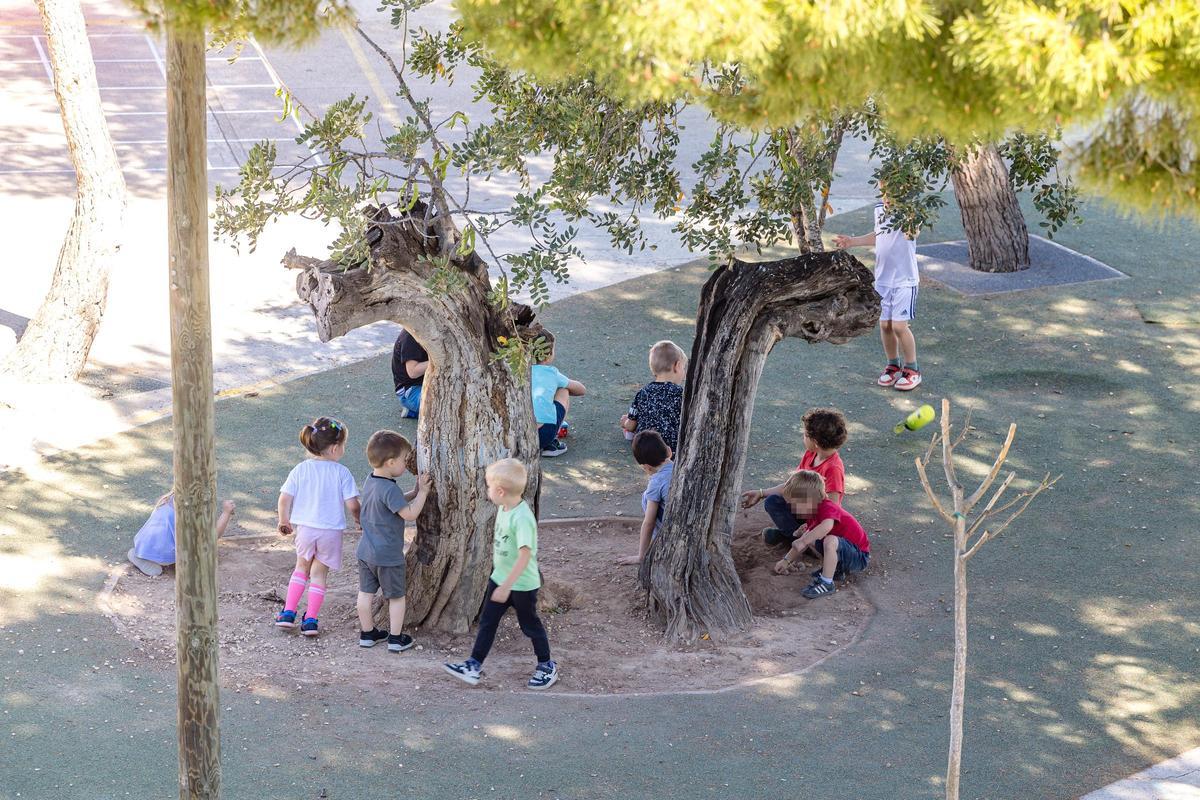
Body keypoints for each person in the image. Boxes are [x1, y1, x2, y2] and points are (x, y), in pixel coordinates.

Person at [443, 458, 558, 690]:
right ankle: (473, 664)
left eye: (488, 486)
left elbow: (525, 556)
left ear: (500, 491)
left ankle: (547, 665)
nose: (487, 491)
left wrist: (507, 586)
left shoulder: (522, 518)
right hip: (499, 579)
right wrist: (501, 581)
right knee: (488, 622)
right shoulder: (504, 507)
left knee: (530, 625)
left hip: (521, 585)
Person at [275, 417, 361, 637]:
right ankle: (311, 619)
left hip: (305, 528)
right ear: (334, 448)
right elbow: (353, 504)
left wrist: (284, 520)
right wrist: (359, 520)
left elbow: (285, 498)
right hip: (330, 532)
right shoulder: (342, 473)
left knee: (300, 568)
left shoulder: (300, 469)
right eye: (343, 445)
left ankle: (287, 612)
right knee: (319, 574)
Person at [833, 191, 922, 391]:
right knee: (885, 325)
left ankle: (912, 369)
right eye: (884, 192)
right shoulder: (879, 210)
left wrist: (907, 214)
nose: (887, 197)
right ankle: (892, 365)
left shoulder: (911, 212)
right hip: (883, 280)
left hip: (904, 280)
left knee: (900, 326)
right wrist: (852, 241)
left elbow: (912, 234)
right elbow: (880, 235)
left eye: (892, 192)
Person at [356, 430, 431, 653]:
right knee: (396, 597)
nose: (406, 465)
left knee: (365, 594)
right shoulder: (388, 488)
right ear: (390, 462)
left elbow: (392, 502)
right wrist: (424, 493)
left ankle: (367, 633)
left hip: (365, 552)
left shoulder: (372, 481)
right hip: (387, 555)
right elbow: (409, 514)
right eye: (404, 460)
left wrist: (414, 491)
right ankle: (396, 638)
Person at [740, 408, 848, 546]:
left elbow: (833, 508)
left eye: (805, 435)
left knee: (781, 508)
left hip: (818, 520)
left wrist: (813, 528)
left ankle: (806, 543)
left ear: (814, 441)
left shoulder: (833, 468)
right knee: (773, 501)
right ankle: (794, 536)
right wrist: (761, 493)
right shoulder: (810, 455)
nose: (803, 437)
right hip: (803, 510)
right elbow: (791, 486)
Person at [771, 470, 870, 599]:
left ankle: (827, 583)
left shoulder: (828, 507)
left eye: (795, 504)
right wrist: (786, 561)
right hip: (846, 553)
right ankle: (836, 571)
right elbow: (804, 541)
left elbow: (827, 526)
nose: (793, 509)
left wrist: (804, 540)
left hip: (859, 557)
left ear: (809, 500)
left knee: (829, 540)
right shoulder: (813, 514)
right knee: (811, 537)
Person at [127, 493, 236, 577]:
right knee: (200, 560)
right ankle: (144, 559)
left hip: (144, 542)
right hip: (160, 551)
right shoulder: (189, 508)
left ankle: (144, 554)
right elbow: (211, 537)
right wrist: (226, 513)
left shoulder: (173, 496)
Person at [617, 431, 674, 565]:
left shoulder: (656, 482)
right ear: (669, 451)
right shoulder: (681, 466)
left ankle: (659, 542)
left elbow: (649, 522)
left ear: (647, 467)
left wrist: (641, 556)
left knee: (647, 498)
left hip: (672, 532)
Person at [620, 340, 686, 450]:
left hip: (644, 450)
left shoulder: (643, 392)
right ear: (677, 366)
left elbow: (631, 425)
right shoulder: (681, 393)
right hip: (673, 448)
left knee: (633, 429)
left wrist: (625, 422)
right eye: (684, 368)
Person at [531, 330, 586, 458]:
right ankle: (551, 443)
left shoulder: (519, 372)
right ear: (549, 354)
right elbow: (581, 389)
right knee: (563, 390)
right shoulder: (551, 373)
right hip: (543, 434)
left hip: (520, 433)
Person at [391, 328, 429, 419]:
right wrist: (439, 360)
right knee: (446, 403)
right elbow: (413, 371)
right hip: (410, 391)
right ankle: (414, 410)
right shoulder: (410, 337)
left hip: (425, 383)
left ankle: (414, 412)